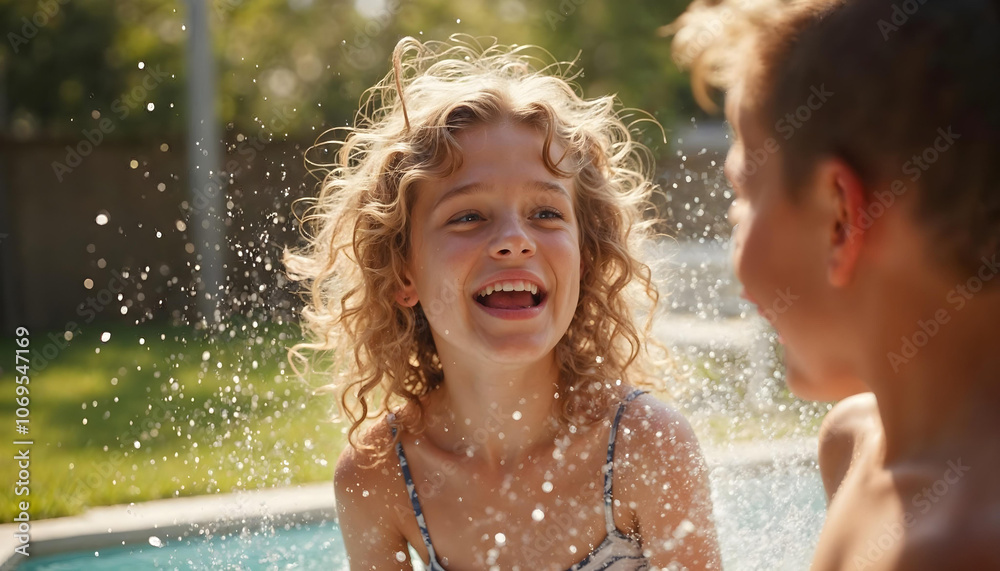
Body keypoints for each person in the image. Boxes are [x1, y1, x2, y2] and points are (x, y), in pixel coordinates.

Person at [285, 35, 721, 570]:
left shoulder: (643, 445)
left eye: (546, 213)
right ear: (403, 273)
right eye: (468, 216)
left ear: (584, 260)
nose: (515, 239)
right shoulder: (381, 476)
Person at [670, 0, 1000, 569]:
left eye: (743, 198)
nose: (735, 239)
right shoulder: (852, 443)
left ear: (840, 218)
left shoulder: (951, 548)